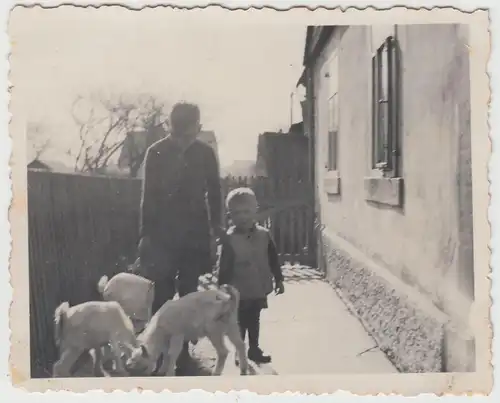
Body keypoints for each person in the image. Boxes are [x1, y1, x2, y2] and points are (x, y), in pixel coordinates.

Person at [138, 102, 224, 372]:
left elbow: (215, 192)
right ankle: (159, 350)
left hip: (194, 233)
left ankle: (182, 350)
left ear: (198, 129)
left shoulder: (206, 154)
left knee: (188, 293)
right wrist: (146, 235)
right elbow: (148, 197)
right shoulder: (156, 152)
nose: (184, 141)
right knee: (162, 291)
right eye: (179, 135)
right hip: (163, 234)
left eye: (189, 135)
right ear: (170, 128)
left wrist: (217, 227)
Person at [218, 187, 285, 364]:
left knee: (254, 320)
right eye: (237, 213)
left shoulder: (264, 235)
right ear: (230, 215)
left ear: (255, 210)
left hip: (257, 287)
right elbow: (224, 266)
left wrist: (279, 279)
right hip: (237, 290)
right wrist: (222, 289)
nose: (243, 217)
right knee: (239, 323)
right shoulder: (229, 239)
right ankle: (240, 352)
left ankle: (254, 349)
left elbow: (273, 258)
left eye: (247, 212)